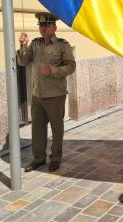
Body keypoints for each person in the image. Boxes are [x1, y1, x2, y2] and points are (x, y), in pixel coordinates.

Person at [17, 12, 76, 172]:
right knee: (37, 129)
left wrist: (53, 70)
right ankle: (39, 158)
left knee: (57, 130)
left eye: (46, 25)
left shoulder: (62, 45)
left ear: (54, 27)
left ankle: (55, 158)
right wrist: (23, 45)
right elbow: (23, 62)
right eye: (41, 25)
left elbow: (71, 66)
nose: (42, 28)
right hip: (37, 95)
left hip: (55, 95)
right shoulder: (35, 44)